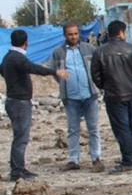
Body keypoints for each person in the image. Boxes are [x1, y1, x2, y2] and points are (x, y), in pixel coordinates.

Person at [1, 30, 68, 180]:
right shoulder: (18, 58)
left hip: (14, 101)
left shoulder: (7, 58)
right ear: (26, 43)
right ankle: (17, 171)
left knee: (20, 137)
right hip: (19, 103)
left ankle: (19, 168)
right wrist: (55, 72)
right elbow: (34, 68)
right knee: (21, 138)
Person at [90, 20, 132, 174]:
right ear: (121, 33)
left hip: (114, 95)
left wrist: (106, 86)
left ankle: (128, 160)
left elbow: (95, 75)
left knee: (122, 129)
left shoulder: (100, 52)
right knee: (131, 126)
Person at [48, 23, 103, 172]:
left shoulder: (89, 49)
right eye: (70, 34)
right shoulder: (58, 52)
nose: (73, 37)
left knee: (93, 129)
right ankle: (74, 160)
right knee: (73, 129)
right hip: (71, 97)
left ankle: (96, 158)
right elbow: (54, 71)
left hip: (89, 95)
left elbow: (98, 67)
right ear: (65, 35)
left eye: (75, 34)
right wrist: (63, 84)